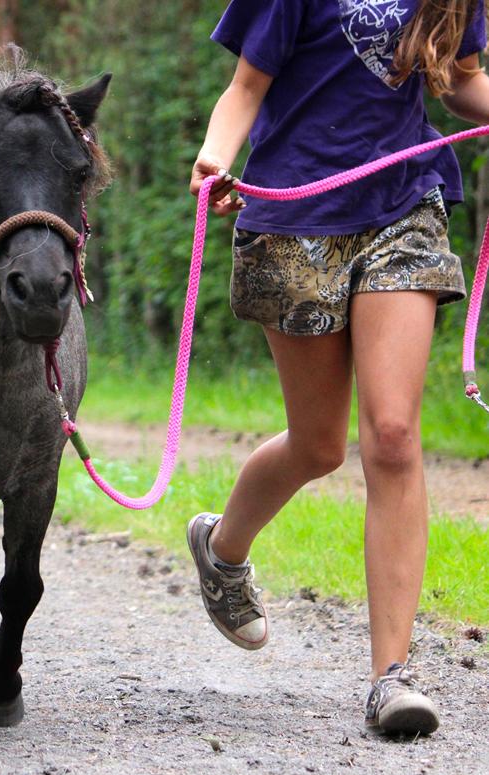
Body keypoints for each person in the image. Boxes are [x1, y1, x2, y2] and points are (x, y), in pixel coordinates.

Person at [186, 0, 488, 737]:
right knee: (319, 445)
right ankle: (222, 549)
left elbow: (460, 83)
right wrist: (215, 158)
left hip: (403, 206)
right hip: (295, 214)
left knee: (391, 433)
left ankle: (392, 677)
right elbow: (246, 88)